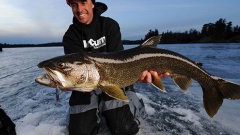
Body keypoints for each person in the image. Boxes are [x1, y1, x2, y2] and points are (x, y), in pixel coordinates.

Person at [62, 0, 167, 134]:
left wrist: (137, 75)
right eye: (74, 4)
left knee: (124, 128)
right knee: (80, 132)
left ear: (92, 3)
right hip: (86, 88)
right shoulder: (70, 36)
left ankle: (132, 107)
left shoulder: (109, 25)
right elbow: (74, 71)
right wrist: (66, 81)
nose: (79, 9)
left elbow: (123, 61)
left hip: (115, 81)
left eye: (83, 2)